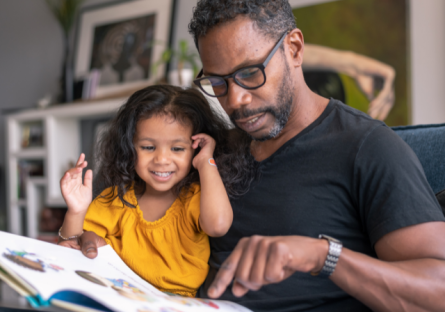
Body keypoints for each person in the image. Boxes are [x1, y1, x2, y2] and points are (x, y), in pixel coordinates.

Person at [186, 0, 445, 311]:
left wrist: (323, 256)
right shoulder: (214, 150)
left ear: (294, 49)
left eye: (250, 73)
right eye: (217, 82)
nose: (236, 100)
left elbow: (438, 293)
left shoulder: (367, 147)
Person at [57, 85, 255, 297]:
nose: (161, 160)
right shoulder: (116, 199)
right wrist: (76, 211)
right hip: (118, 294)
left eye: (177, 149)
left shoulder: (195, 197)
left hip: (176, 302)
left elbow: (218, 226)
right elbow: (69, 248)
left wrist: (207, 161)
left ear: (195, 148)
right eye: (148, 147)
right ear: (130, 148)